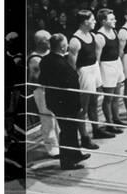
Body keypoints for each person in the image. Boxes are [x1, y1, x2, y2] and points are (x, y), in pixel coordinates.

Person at [34, 34, 91, 170]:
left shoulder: (46, 60)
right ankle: (67, 162)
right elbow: (70, 83)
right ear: (63, 46)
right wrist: (79, 104)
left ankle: (75, 154)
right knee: (67, 131)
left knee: (70, 129)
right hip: (65, 103)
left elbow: (42, 80)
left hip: (57, 101)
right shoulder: (59, 63)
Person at [68, 10, 110, 148]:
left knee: (94, 102)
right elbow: (71, 65)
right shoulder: (75, 40)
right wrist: (75, 81)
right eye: (92, 20)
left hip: (94, 68)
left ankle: (96, 129)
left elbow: (96, 55)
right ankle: (85, 138)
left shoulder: (92, 35)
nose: (95, 22)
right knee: (83, 108)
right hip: (84, 73)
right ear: (85, 22)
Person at [95, 9, 127, 134]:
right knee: (108, 98)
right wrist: (98, 78)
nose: (115, 21)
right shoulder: (99, 36)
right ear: (103, 21)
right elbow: (97, 59)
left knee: (117, 95)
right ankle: (109, 123)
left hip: (116, 63)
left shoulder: (114, 31)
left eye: (114, 18)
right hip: (106, 67)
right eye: (111, 19)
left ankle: (116, 118)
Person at [28, 30, 60, 158]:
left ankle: (59, 144)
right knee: (47, 119)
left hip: (54, 89)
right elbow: (37, 78)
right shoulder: (35, 59)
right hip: (42, 90)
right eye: (48, 39)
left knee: (56, 118)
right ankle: (52, 148)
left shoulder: (50, 53)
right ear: (41, 42)